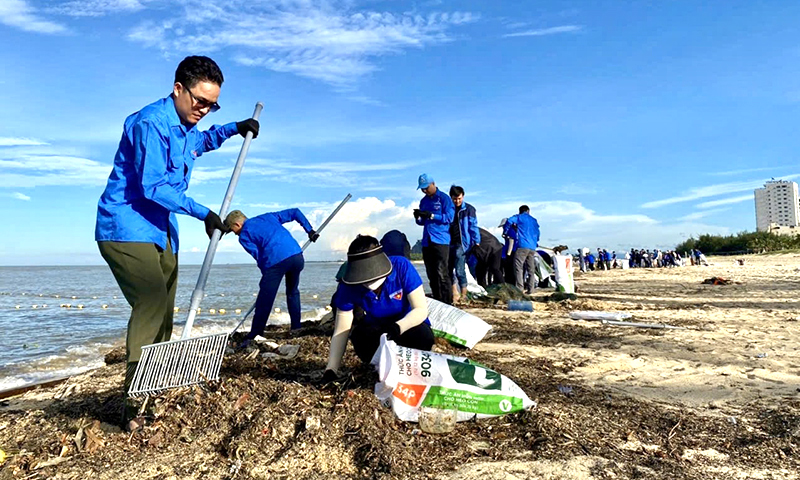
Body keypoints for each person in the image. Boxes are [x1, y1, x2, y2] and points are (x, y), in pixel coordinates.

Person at [94, 56, 259, 411]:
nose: (204, 109)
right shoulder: (150, 123)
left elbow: (201, 143)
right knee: (150, 300)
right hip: (125, 226)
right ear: (178, 89)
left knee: (165, 307)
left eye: (212, 105)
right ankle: (132, 397)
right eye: (200, 101)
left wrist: (234, 127)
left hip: (161, 230)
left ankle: (153, 382)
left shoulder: (185, 126)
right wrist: (205, 213)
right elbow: (153, 186)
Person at [322, 236, 435, 381]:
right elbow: (342, 329)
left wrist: (398, 327)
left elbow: (420, 309)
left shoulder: (401, 266)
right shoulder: (348, 286)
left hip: (408, 324)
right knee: (359, 338)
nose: (369, 282)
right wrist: (331, 368)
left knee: (423, 337)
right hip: (377, 326)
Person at [225, 209, 318, 344]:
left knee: (265, 299)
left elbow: (258, 256)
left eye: (232, 230)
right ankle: (296, 327)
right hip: (297, 256)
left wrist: (266, 276)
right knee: (292, 292)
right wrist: (310, 231)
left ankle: (255, 334)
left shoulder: (243, 235)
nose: (234, 233)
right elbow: (295, 212)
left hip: (276, 262)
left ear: (237, 225)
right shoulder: (267, 217)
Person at [414, 174, 455, 304]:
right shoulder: (424, 201)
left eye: (426, 187)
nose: (424, 191)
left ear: (433, 184)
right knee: (431, 273)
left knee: (442, 272)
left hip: (440, 240)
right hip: (427, 240)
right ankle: (437, 300)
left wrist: (431, 215)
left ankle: (447, 302)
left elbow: (449, 218)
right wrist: (418, 217)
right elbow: (421, 222)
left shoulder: (444, 199)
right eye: (422, 189)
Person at [448, 185, 480, 302]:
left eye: (459, 198)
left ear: (463, 196)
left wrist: (476, 241)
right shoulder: (448, 209)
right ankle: (454, 293)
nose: (457, 201)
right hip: (448, 242)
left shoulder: (469, 209)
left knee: (460, 269)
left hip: (462, 243)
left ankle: (464, 294)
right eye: (455, 199)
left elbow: (473, 226)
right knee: (448, 269)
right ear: (451, 197)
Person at [506, 205, 541, 294]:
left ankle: (519, 289)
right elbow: (537, 233)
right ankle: (531, 289)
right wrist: (536, 241)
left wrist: (506, 232)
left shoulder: (519, 217)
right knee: (531, 269)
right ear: (528, 211)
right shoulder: (534, 220)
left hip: (522, 246)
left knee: (518, 267)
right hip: (532, 247)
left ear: (520, 211)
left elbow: (509, 221)